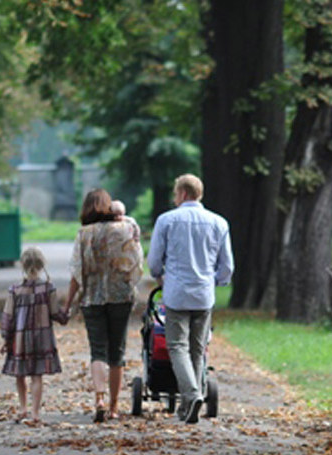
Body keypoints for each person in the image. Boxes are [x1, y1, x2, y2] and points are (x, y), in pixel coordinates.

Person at [147, 174, 233, 424]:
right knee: (198, 348)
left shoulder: (167, 220)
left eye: (176, 194)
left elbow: (154, 261)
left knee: (177, 347)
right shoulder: (218, 222)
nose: (175, 199)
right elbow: (226, 265)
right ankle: (189, 404)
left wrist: (159, 277)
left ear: (183, 193)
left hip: (176, 294)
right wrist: (214, 281)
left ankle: (192, 394)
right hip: (204, 295)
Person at [64, 188, 143, 423]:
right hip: (120, 297)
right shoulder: (126, 228)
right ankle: (114, 407)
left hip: (92, 298)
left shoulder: (83, 234)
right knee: (116, 352)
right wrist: (120, 213)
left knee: (97, 351)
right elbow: (136, 248)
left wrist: (68, 303)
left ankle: (98, 399)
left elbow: (76, 274)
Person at [0, 247, 68, 426]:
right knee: (37, 376)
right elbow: (55, 313)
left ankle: (23, 408)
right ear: (42, 265)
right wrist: (66, 315)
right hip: (41, 338)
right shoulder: (48, 289)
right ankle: (35, 412)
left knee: (20, 374)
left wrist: (6, 340)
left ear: (22, 265)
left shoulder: (15, 291)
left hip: (20, 339)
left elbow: (8, 318)